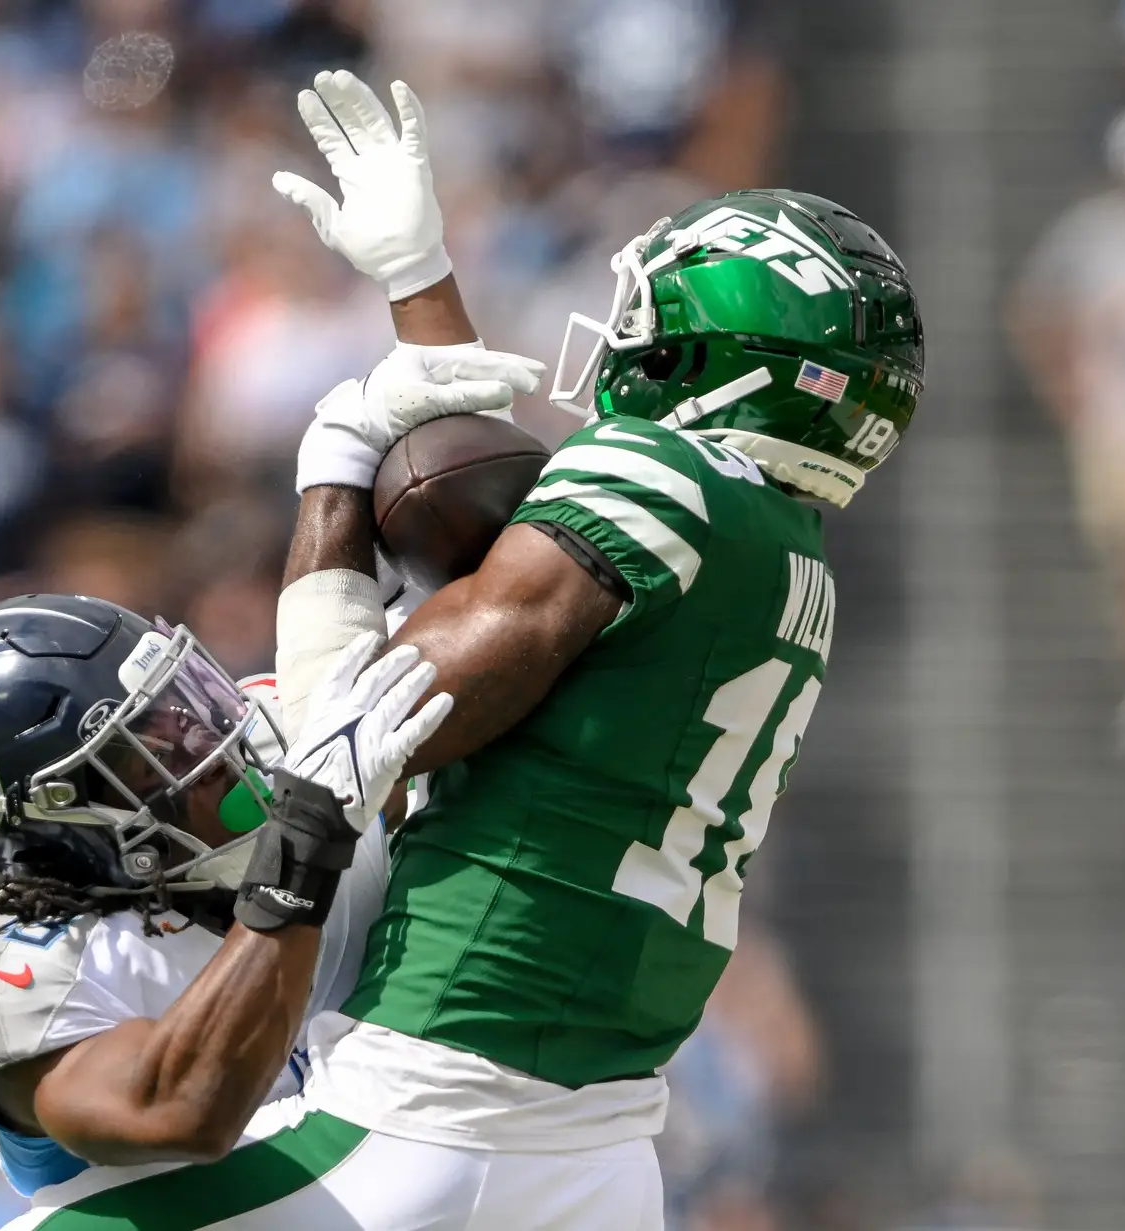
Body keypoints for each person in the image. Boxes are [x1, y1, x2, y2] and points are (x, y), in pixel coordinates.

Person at [136, 72, 921, 1228]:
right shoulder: (777, 550)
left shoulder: (663, 482)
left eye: (659, 314)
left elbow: (355, 725)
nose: (630, 334)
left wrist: (332, 466)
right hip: (597, 1139)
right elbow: (493, 548)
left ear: (731, 352)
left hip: (433, 1097)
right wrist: (418, 283)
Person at [0, 593, 457, 1214]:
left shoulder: (287, 751)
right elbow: (180, 1108)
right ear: (58, 829)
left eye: (181, 700)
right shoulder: (9, 978)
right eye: (148, 751)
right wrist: (302, 850)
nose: (207, 736)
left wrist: (334, 493)